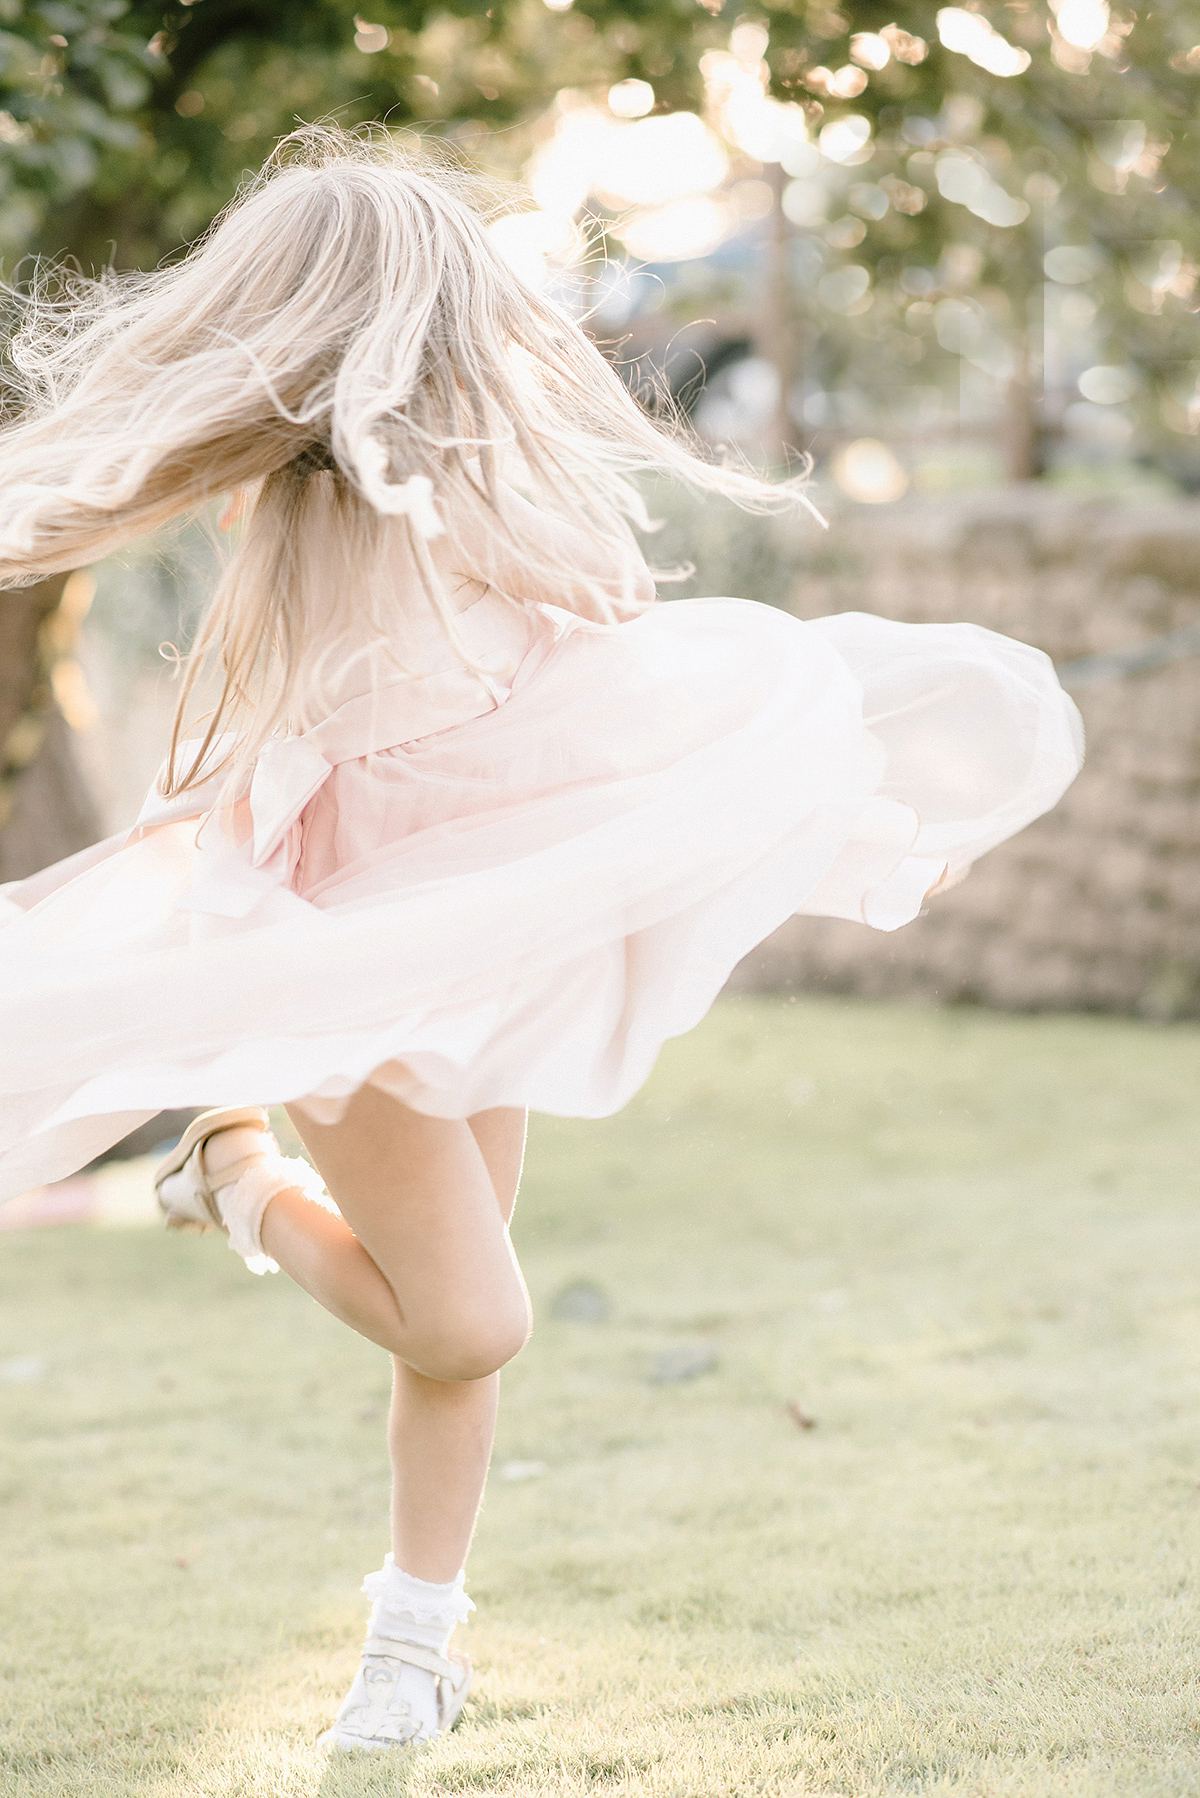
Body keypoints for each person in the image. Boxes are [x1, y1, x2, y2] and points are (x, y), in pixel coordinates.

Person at [0, 126, 1083, 1753]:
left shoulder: (500, 475)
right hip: (342, 943)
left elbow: (614, 656)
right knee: (472, 1316)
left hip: (496, 915)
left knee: (463, 1310)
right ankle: (234, 1170)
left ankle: (410, 1645)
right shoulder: (288, 493)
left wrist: (786, 796)